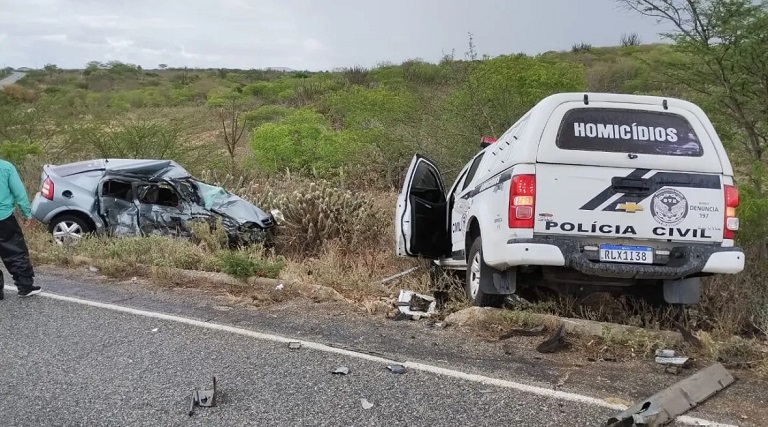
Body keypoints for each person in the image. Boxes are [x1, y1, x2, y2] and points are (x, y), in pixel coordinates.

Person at [0, 158, 41, 300]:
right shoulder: (5, 167)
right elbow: (19, 192)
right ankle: (25, 287)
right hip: (4, 218)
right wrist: (27, 213)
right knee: (15, 252)